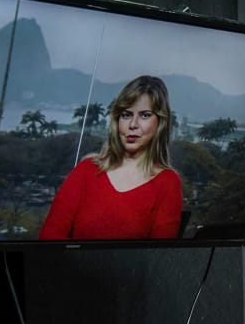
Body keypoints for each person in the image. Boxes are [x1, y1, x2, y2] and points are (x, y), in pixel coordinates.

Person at [39, 75, 184, 239]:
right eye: (126, 115)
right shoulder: (87, 170)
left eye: (145, 115)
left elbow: (160, 257)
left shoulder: (167, 182)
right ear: (117, 121)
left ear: (160, 123)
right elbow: (49, 238)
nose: (133, 124)